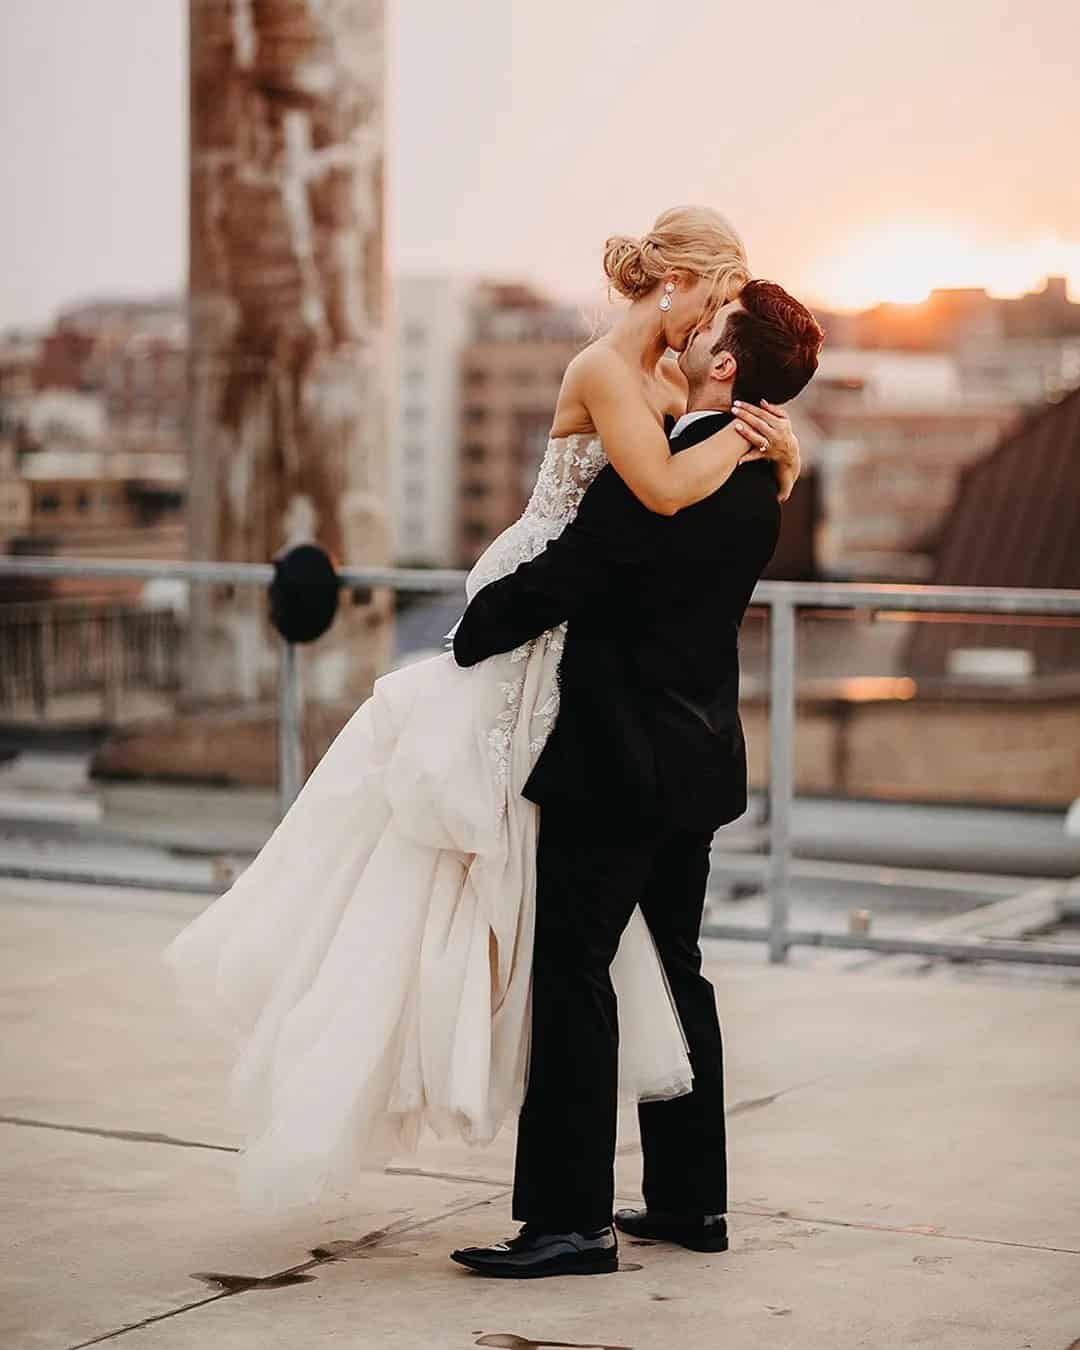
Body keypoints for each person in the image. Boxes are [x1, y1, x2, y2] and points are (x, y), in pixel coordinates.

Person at [162, 207, 802, 1213]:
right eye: (719, 298)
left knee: (576, 955)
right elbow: (661, 506)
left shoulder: (688, 402)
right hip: (631, 682)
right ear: (679, 281)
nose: (716, 320)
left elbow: (632, 531)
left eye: (727, 314)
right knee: (601, 929)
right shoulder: (614, 374)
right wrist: (768, 457)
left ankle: (573, 1218)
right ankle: (683, 1202)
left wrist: (751, 448)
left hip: (592, 676)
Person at [449, 281, 825, 1278]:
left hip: (616, 763)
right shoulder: (758, 475)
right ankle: (692, 1201)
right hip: (697, 762)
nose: (693, 330)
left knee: (575, 978)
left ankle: (571, 1221)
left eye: (710, 328)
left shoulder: (665, 470)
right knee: (677, 969)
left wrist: (474, 627)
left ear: (728, 366)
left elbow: (575, 570)